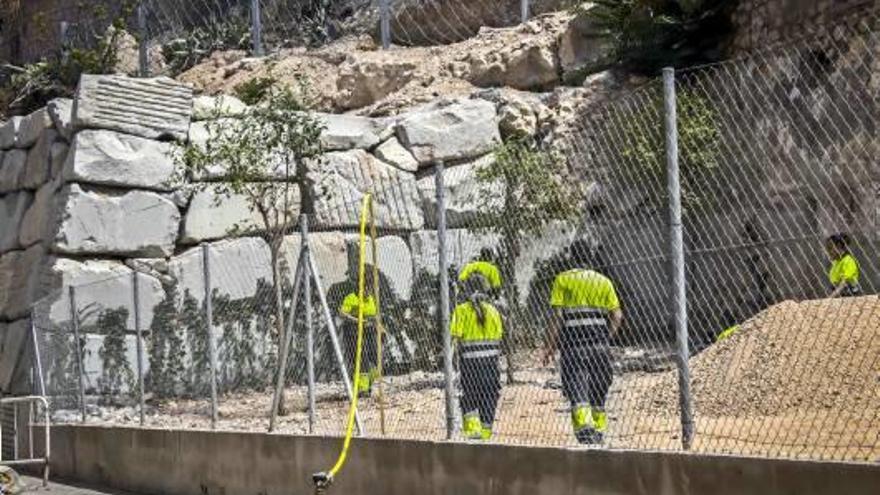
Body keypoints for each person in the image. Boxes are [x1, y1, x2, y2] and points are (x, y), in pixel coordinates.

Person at [543, 241, 623, 445]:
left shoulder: (563, 280)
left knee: (577, 387)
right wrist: (606, 336)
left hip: (573, 346)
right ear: (590, 257)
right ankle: (599, 430)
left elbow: (557, 317)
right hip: (599, 346)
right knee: (599, 389)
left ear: (571, 257)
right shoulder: (603, 281)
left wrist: (550, 346)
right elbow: (617, 315)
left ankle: (585, 430)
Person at [450, 273, 504, 441]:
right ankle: (485, 437)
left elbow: (454, 343)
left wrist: (454, 368)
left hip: (469, 367)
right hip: (491, 367)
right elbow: (499, 341)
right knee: (489, 398)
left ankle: (473, 437)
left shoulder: (461, 311)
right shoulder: (494, 312)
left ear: (466, 290)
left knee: (469, 399)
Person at [339, 290, 379, 396]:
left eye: (369, 289)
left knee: (376, 359)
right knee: (361, 359)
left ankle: (367, 383)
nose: (367, 292)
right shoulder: (351, 298)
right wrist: (357, 320)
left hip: (369, 331)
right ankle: (362, 388)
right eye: (365, 288)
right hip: (354, 332)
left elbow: (374, 315)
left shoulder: (370, 299)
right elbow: (342, 313)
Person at [826, 234, 861, 298]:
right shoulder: (836, 262)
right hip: (837, 296)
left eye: (830, 248)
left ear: (839, 246)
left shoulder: (848, 261)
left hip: (849, 296)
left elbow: (843, 285)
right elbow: (834, 282)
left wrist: (829, 299)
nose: (828, 252)